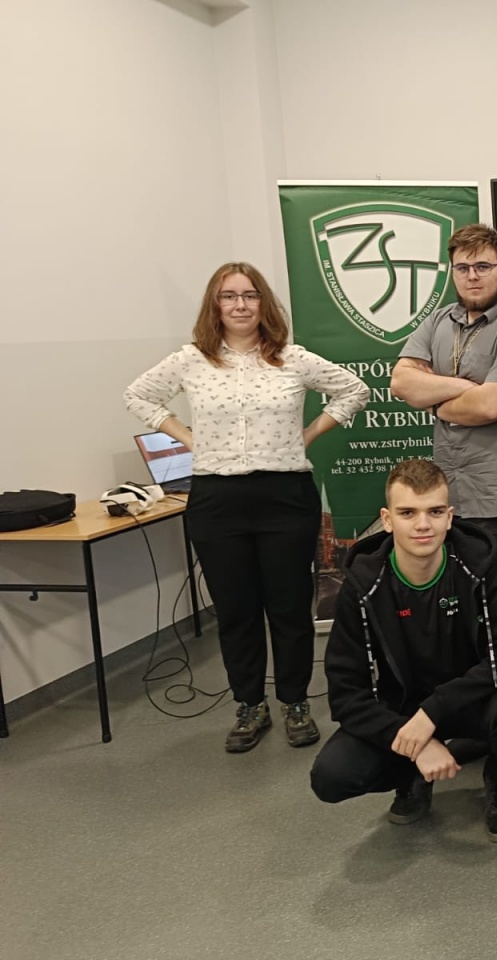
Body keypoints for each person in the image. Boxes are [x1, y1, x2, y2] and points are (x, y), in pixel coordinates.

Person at [124, 261, 369, 753]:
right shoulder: (192, 360)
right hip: (218, 499)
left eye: (250, 295)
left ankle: (295, 702)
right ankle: (249, 705)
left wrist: (307, 434)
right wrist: (189, 437)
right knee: (236, 610)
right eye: (229, 296)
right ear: (214, 305)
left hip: (285, 496)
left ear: (264, 304)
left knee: (288, 607)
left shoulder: (292, 359)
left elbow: (354, 390)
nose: (240, 305)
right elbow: (138, 395)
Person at [308, 459, 497, 842]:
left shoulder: (480, 565)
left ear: (449, 517)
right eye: (408, 513)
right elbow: (346, 695)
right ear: (387, 520)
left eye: (434, 512)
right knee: (332, 776)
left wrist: (432, 713)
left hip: (473, 701)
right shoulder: (363, 585)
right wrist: (414, 743)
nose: (422, 525)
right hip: (403, 713)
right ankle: (412, 777)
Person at [390, 223, 497, 545]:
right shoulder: (438, 321)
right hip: (451, 495)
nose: (472, 276)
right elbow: (400, 382)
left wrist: (432, 402)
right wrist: (466, 388)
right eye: (463, 268)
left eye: (483, 266)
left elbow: (490, 406)